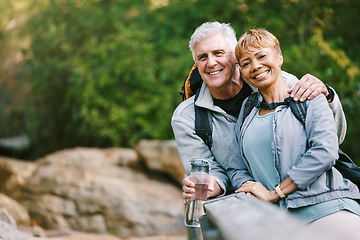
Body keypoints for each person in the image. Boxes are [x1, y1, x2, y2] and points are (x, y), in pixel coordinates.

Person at [171, 21, 347, 203]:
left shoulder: (284, 84)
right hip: (243, 205)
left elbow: (332, 142)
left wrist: (329, 98)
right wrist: (211, 184)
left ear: (235, 57)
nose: (211, 63)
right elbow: (212, 171)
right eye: (202, 57)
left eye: (218, 53)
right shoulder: (186, 117)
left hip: (307, 195)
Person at [227, 28, 360, 239]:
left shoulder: (309, 96)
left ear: (279, 57)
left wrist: (275, 193)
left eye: (262, 56)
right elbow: (235, 165)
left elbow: (325, 151)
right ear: (242, 72)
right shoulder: (247, 110)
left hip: (325, 207)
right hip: (276, 221)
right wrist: (251, 188)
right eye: (246, 63)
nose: (256, 66)